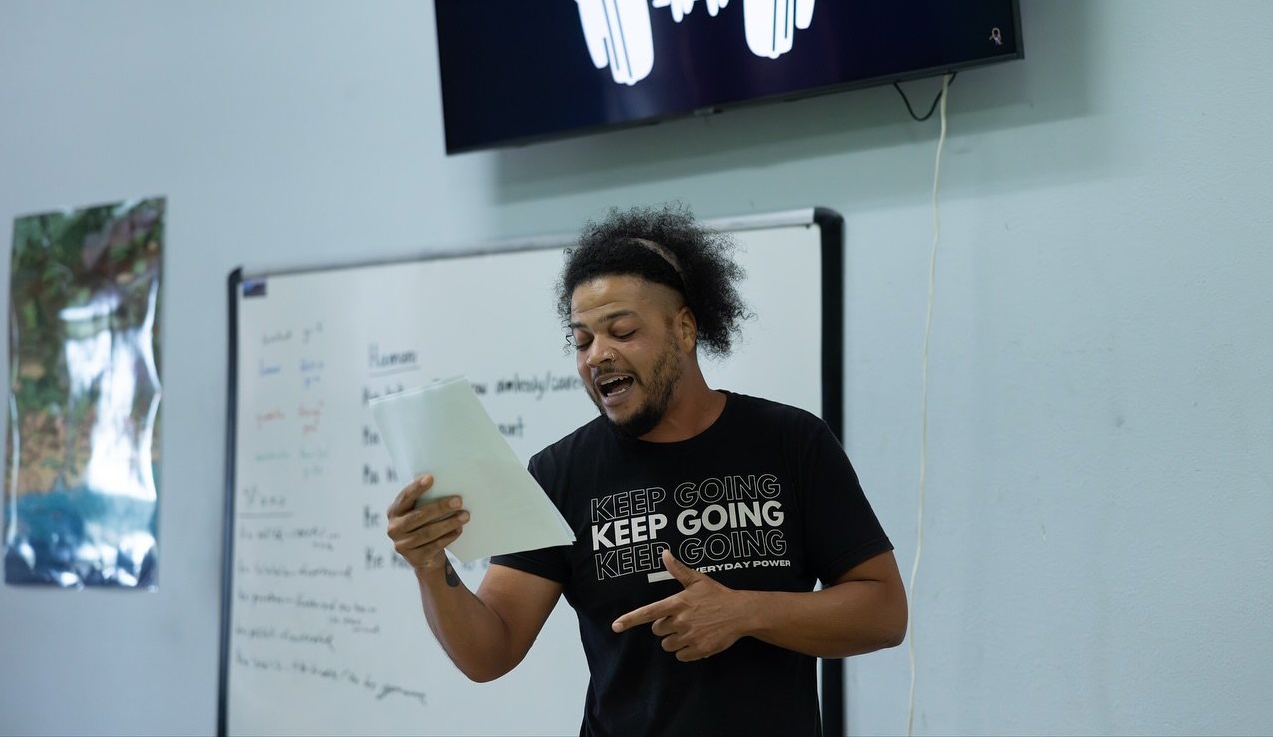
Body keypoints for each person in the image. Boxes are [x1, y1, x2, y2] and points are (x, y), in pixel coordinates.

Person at [386, 202, 907, 736]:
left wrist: (746, 612)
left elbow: (884, 613)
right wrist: (431, 566)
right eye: (582, 340)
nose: (597, 356)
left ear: (684, 330)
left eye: (622, 331)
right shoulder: (561, 473)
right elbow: (489, 652)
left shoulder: (791, 442)